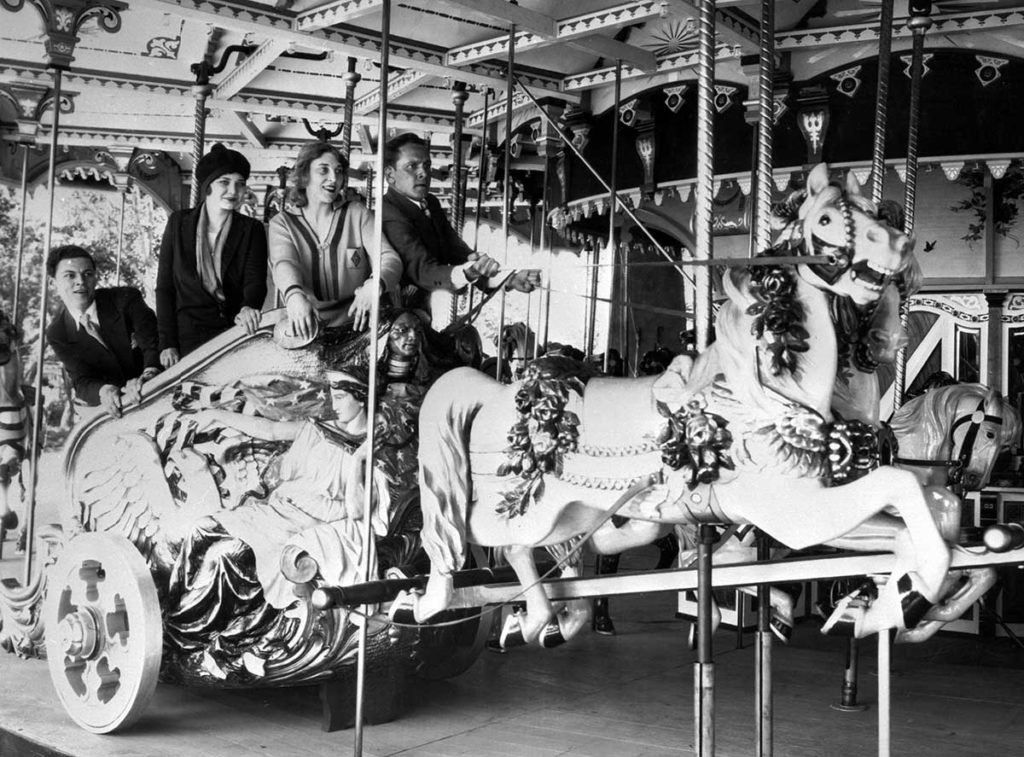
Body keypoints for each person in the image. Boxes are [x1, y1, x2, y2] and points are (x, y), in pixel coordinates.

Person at [166, 363, 389, 662]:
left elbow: (356, 510)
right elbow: (271, 430)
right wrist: (217, 415)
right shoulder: (319, 430)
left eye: (339, 397)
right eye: (332, 395)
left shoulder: (372, 449)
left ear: (361, 399)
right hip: (279, 508)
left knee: (227, 554)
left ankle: (187, 636)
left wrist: (359, 461)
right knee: (202, 527)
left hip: (306, 522)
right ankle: (173, 614)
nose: (333, 404)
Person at [380, 132, 540, 314]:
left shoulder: (430, 203)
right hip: (396, 314)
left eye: (427, 165)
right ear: (390, 175)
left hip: (422, 313)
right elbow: (422, 270)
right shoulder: (388, 212)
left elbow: (457, 251)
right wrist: (467, 273)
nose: (423, 173)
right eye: (412, 166)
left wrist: (509, 278)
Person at [269, 141, 402, 341]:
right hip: (311, 323)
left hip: (360, 321)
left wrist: (374, 284)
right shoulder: (283, 223)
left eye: (338, 171)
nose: (334, 178)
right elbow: (284, 262)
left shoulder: (357, 213)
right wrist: (293, 294)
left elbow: (387, 256)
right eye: (323, 170)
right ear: (304, 175)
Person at [156, 143, 269, 367]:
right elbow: (165, 288)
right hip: (187, 336)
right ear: (208, 186)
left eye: (240, 184)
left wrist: (248, 306)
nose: (233, 191)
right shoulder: (178, 223)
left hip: (232, 332)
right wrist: (167, 342)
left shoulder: (251, 229)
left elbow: (255, 280)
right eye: (224, 182)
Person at [45, 245, 160, 417]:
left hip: (157, 388)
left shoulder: (125, 299)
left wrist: (148, 374)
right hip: (118, 411)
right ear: (53, 283)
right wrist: (104, 390)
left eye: (88, 274)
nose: (81, 281)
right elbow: (82, 380)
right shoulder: (57, 332)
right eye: (70, 275)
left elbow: (153, 343)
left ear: (95, 277)